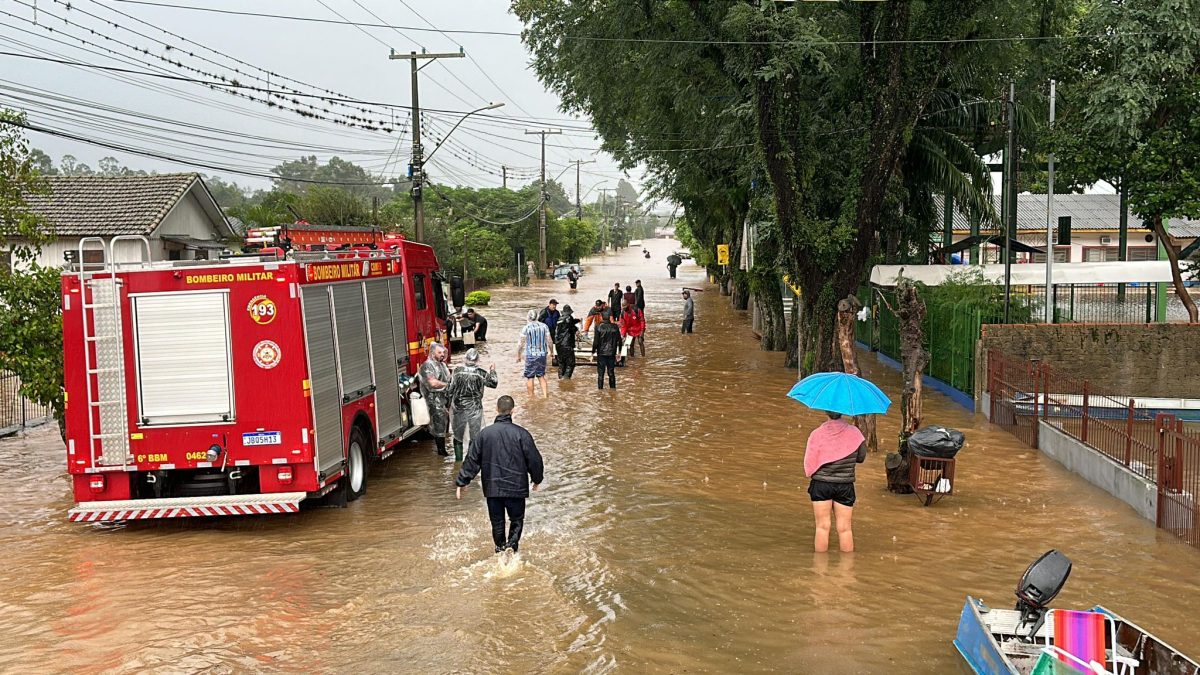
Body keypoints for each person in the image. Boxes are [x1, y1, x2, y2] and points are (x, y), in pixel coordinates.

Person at [455, 395, 544, 554]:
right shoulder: (522, 434)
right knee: (516, 521)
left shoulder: (484, 434)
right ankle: (512, 550)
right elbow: (534, 459)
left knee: (497, 523)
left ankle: (500, 551)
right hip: (516, 489)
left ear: (497, 409)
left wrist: (462, 481)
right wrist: (537, 479)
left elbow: (472, 459)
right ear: (513, 411)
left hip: (493, 489)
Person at [804, 411, 867, 553]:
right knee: (845, 528)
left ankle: (819, 570)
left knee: (822, 527)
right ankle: (846, 570)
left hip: (821, 484)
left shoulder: (817, 434)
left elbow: (809, 463)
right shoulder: (855, 433)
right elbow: (861, 457)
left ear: (826, 411)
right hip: (845, 484)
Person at [446, 348, 499, 461]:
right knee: (475, 436)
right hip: (475, 409)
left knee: (457, 436)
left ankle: (458, 462)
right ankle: (471, 460)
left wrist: (447, 406)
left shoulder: (457, 371)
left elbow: (450, 390)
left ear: (465, 358)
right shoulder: (481, 373)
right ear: (477, 359)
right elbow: (494, 383)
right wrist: (493, 370)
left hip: (458, 408)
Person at [418, 342, 452, 456]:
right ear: (432, 353)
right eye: (439, 352)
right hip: (433, 400)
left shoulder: (442, 365)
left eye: (443, 352)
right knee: (438, 426)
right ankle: (442, 453)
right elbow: (432, 383)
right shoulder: (427, 366)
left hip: (443, 400)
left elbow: (449, 379)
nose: (442, 354)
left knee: (442, 426)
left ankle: (442, 450)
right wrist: (448, 386)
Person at [516, 309, 553, 397]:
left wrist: (518, 355)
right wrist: (552, 352)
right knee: (541, 376)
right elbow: (549, 341)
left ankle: (531, 397)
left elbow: (520, 344)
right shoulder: (544, 326)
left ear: (528, 317)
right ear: (537, 317)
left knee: (530, 377)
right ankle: (545, 396)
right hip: (542, 354)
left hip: (531, 355)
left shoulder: (526, 328)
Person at [592, 310, 621, 390]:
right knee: (611, 372)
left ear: (602, 317)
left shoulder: (598, 327)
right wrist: (619, 352)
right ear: (609, 317)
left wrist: (593, 352)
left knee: (601, 374)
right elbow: (620, 340)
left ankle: (600, 391)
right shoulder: (615, 327)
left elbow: (596, 342)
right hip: (611, 353)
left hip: (601, 353)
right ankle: (613, 390)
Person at [554, 304, 580, 379]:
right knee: (570, 364)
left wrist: (577, 320)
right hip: (567, 344)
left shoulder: (559, 319)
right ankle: (566, 380)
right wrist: (576, 330)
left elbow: (569, 324)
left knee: (561, 364)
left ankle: (560, 380)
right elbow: (571, 326)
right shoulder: (569, 318)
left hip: (558, 345)